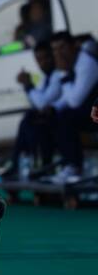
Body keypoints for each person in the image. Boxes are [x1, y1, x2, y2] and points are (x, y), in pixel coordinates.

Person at [49, 32, 98, 182]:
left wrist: (63, 73)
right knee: (46, 117)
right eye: (55, 50)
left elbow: (75, 101)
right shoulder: (72, 64)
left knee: (66, 117)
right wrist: (50, 109)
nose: (59, 53)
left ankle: (74, 167)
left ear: (74, 46)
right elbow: (65, 99)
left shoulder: (86, 62)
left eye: (62, 47)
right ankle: (45, 164)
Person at [13, 40, 61, 173]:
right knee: (28, 120)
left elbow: (42, 103)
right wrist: (28, 85)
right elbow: (36, 101)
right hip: (50, 122)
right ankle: (20, 163)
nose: (43, 62)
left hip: (60, 122)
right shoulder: (45, 78)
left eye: (46, 57)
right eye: (39, 59)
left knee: (31, 123)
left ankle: (32, 165)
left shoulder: (58, 75)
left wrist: (28, 85)